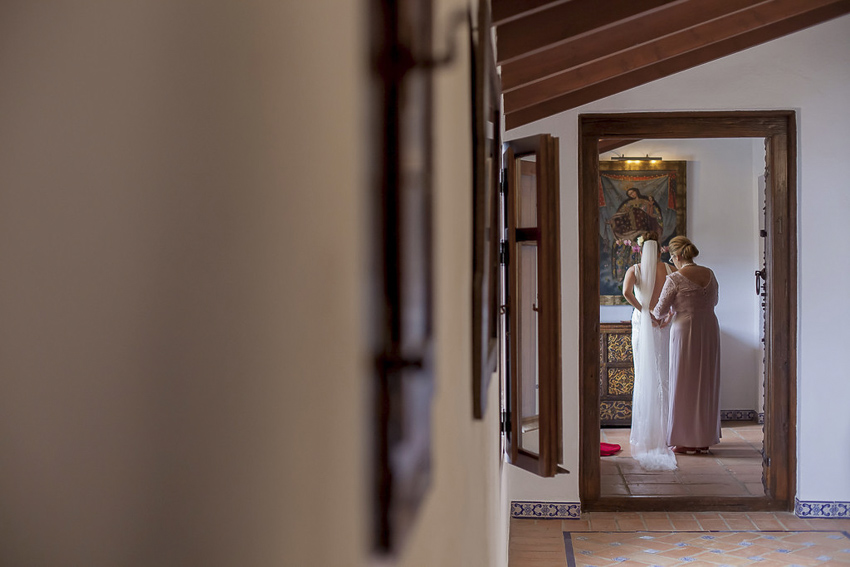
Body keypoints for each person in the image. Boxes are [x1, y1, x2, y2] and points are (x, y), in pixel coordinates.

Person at [653, 236, 721, 455]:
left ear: (678, 256)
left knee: (683, 382)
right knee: (705, 382)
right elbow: (714, 301)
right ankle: (703, 439)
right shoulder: (710, 274)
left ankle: (684, 440)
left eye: (671, 257)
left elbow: (660, 311)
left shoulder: (675, 278)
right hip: (709, 328)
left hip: (685, 330)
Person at [621, 231, 677, 470]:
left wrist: (644, 310)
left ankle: (646, 431)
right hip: (664, 321)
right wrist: (668, 315)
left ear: (641, 248)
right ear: (660, 248)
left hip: (644, 321)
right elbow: (676, 296)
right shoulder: (670, 269)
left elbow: (626, 293)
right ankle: (667, 431)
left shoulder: (634, 270)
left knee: (644, 373)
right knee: (664, 374)